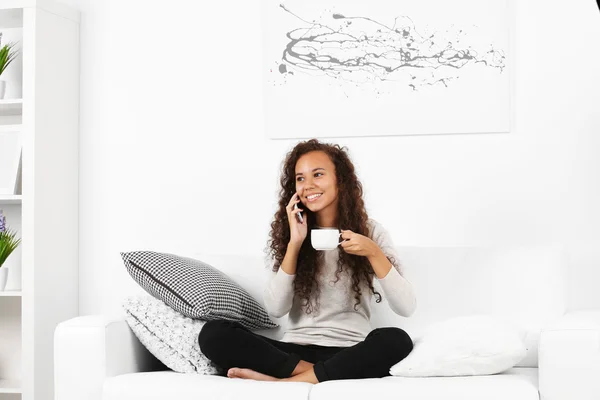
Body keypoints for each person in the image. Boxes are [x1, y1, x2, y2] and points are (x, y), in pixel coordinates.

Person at [199, 139, 416, 383]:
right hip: (293, 353)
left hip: (349, 351)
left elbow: (406, 307)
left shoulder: (371, 232)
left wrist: (374, 252)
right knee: (213, 334)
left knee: (397, 340)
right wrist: (295, 243)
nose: (308, 185)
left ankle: (284, 383)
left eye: (318, 174)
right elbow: (276, 308)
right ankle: (314, 374)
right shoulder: (289, 233)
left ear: (340, 180)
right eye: (300, 178)